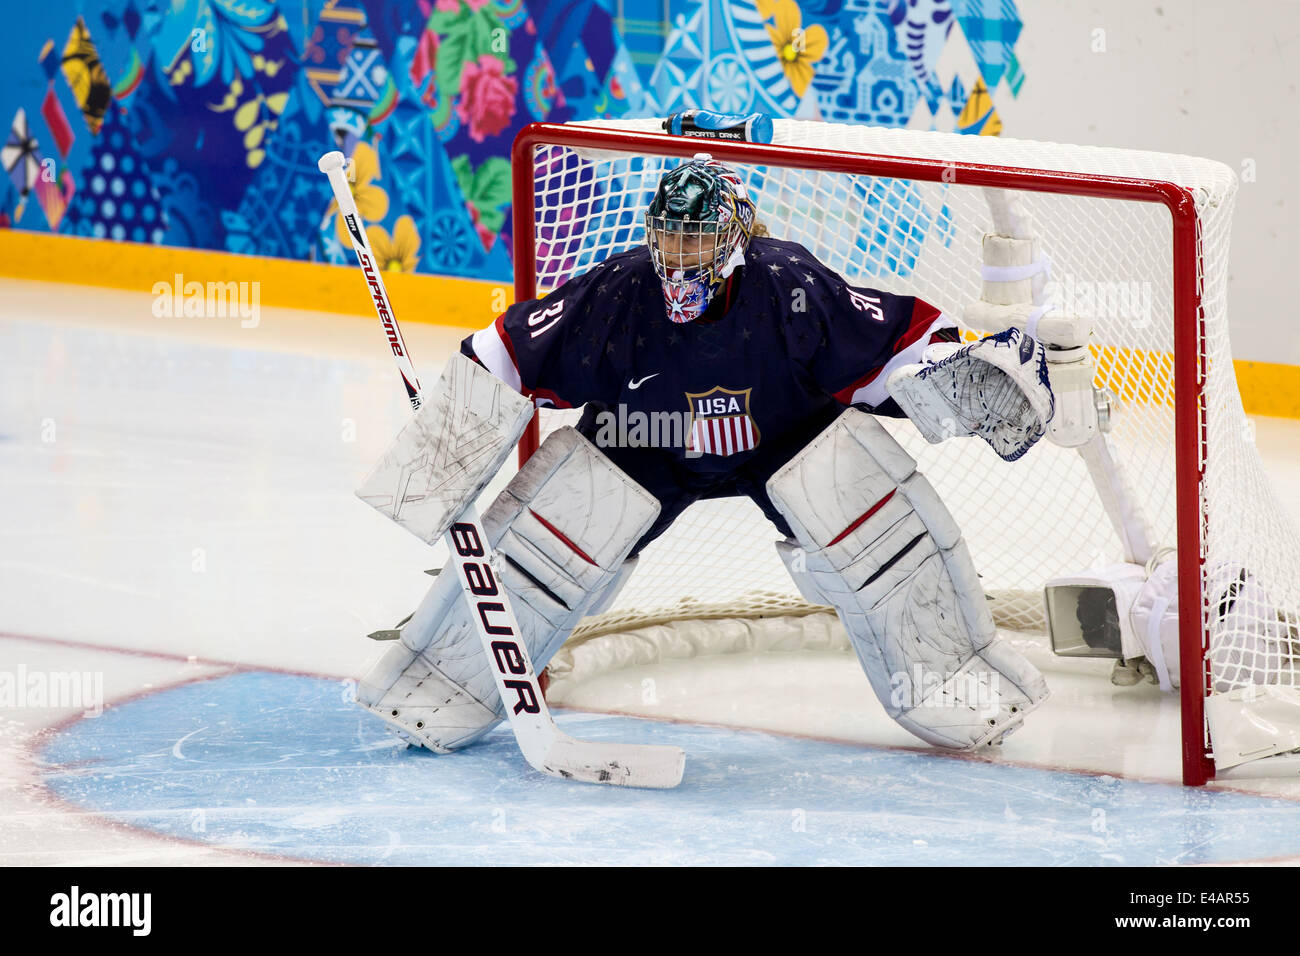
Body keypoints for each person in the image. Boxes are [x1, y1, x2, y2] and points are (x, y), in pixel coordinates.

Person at [356, 155, 1052, 754]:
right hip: (645, 440)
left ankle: (956, 677)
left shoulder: (788, 284)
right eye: (669, 237)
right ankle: (447, 682)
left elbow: (883, 352)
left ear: (734, 238)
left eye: (695, 241)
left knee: (878, 538)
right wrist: (454, 433)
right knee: (548, 544)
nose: (679, 257)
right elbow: (507, 352)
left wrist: (954, 371)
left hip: (786, 433)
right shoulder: (621, 291)